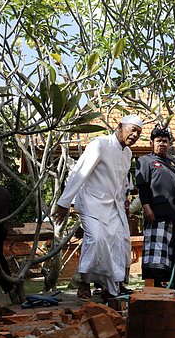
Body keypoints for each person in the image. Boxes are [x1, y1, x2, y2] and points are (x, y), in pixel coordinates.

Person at [52, 114, 143, 301]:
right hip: (91, 202)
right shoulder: (100, 144)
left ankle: (110, 288)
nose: (135, 135)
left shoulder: (128, 154)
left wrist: (124, 201)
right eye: (133, 130)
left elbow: (122, 181)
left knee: (119, 244)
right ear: (120, 127)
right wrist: (64, 202)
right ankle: (83, 281)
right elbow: (80, 172)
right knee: (97, 239)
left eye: (139, 132)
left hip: (114, 207)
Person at [135, 124, 175, 287]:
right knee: (156, 248)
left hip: (174, 213)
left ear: (169, 144)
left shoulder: (172, 165)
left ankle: (169, 282)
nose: (162, 144)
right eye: (158, 140)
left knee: (170, 249)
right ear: (152, 142)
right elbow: (142, 186)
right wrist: (146, 206)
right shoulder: (145, 160)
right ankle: (154, 283)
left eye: (165, 141)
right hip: (155, 211)